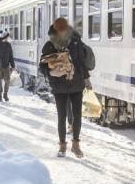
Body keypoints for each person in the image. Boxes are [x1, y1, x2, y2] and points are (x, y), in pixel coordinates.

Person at [39, 16, 95, 158]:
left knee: (77, 116)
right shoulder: (49, 45)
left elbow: (81, 63)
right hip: (59, 86)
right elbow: (42, 66)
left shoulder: (76, 42)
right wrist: (51, 72)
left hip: (76, 84)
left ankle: (75, 145)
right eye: (60, 31)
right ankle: (62, 146)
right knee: (61, 116)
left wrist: (87, 79)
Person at [0, 29, 15, 102]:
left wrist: (13, 66)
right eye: (7, 37)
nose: (7, 38)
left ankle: (5, 94)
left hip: (6, 65)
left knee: (7, 81)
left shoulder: (8, 45)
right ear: (4, 37)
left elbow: (11, 56)